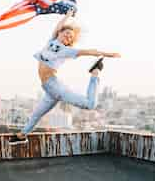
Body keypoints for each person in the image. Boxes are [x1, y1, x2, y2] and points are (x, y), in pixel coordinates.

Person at [9, 9, 121, 145]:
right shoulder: (51, 41)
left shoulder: (67, 51)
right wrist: (67, 16)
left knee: (90, 104)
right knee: (36, 114)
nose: (68, 37)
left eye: (70, 38)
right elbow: (58, 26)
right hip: (49, 90)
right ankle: (22, 136)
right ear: (59, 33)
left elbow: (89, 51)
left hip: (55, 87)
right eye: (66, 34)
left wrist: (108, 54)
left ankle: (95, 74)